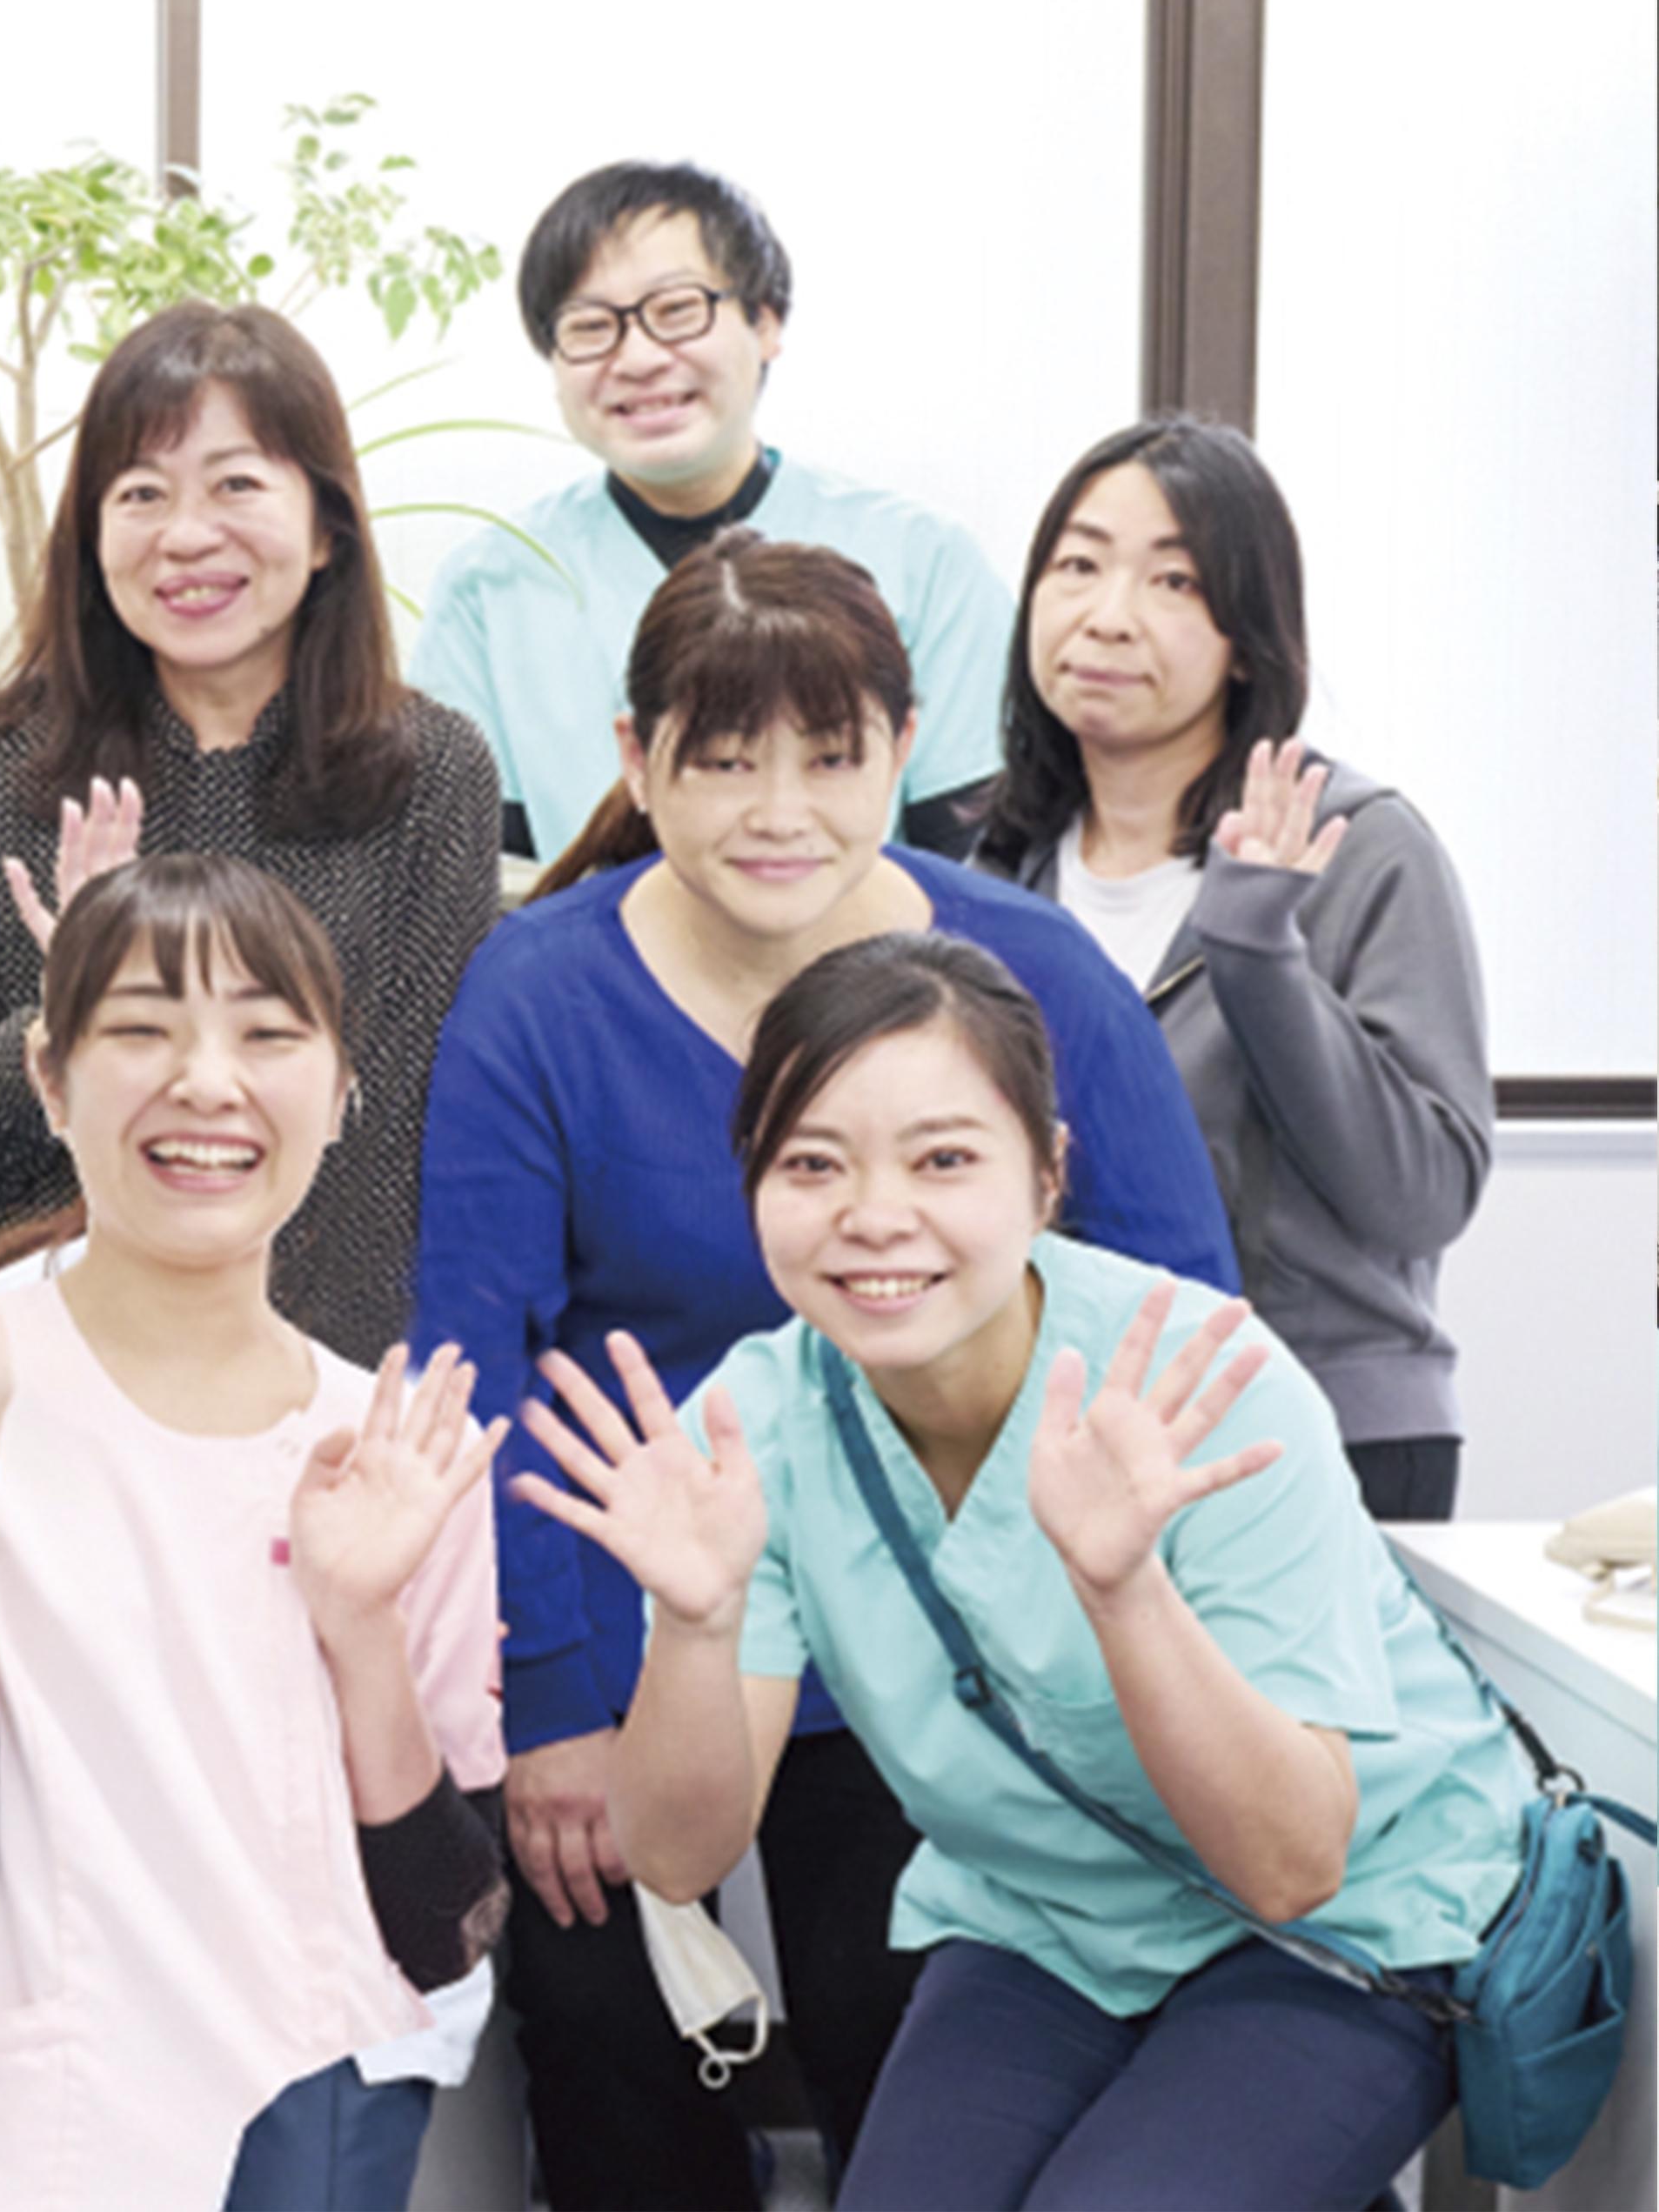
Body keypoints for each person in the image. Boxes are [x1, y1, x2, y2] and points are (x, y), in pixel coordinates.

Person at [413, 529, 1237, 2209]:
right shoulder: (538, 989)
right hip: (628, 1617)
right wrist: (547, 1705)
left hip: (943, 1624)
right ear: (635, 755)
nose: (777, 809)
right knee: (608, 2045)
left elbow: (1175, 1320)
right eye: (723, 761)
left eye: (830, 755)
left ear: (906, 744)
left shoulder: (1026, 974)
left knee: (909, 2031)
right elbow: (474, 1366)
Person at [515, 932, 1529, 2210]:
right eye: (811, 1163)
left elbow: (1292, 1865)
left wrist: (1125, 1593)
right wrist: (696, 1623)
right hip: (1049, 1918)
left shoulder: (1201, 1383)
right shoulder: (755, 1423)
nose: (874, 1217)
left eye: (944, 1160)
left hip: (1345, 1923)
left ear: (1048, 1175)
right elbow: (676, 1857)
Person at [0, 853, 508, 2212]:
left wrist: (360, 1628)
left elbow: (443, 1925)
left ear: (344, 1091)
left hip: (296, 2132)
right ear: (51, 1081)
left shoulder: (393, 1454)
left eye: (267, 1035)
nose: (208, 1084)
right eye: (143, 1031)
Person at [0, 299, 502, 1363]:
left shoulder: (427, 771)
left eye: (237, 485)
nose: (187, 534)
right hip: (29, 1352)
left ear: (326, 529)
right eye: (141, 494)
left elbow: (402, 1124)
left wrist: (302, 1374)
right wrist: (68, 1005)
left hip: (313, 1362)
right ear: (92, 537)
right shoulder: (4, 761)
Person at [975, 418, 1493, 1523]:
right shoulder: (998, 872)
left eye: (1174, 581)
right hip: (1064, 1435)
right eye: (1077, 565)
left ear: (1249, 641)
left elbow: (1420, 1196)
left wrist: (1261, 949)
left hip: (1321, 1430)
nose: (1108, 615)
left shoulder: (1357, 846)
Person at [409, 160, 1007, 867]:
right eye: (590, 326)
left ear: (766, 322)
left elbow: (976, 865)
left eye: (677, 312)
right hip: (584, 941)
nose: (637, 358)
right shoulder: (489, 588)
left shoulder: (925, 564)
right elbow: (475, 879)